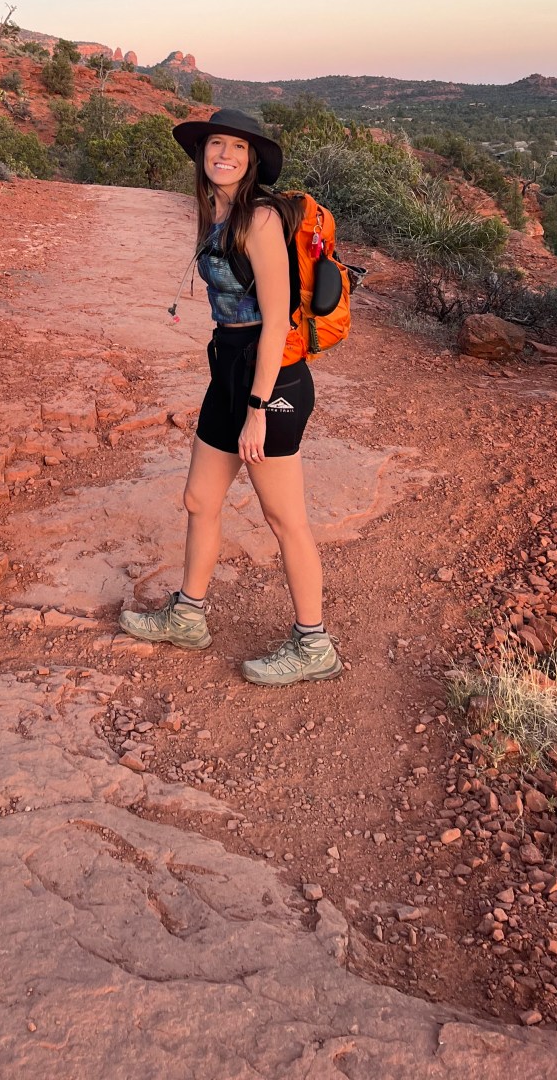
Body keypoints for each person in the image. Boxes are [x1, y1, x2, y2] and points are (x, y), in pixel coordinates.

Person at [118, 107, 342, 686]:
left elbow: (276, 322)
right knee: (200, 499)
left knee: (283, 516)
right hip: (229, 368)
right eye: (217, 144)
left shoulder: (260, 219)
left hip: (273, 379)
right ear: (203, 153)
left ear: (252, 161)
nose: (226, 155)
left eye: (239, 148)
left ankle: (315, 644)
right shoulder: (215, 212)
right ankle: (188, 617)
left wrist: (257, 410)